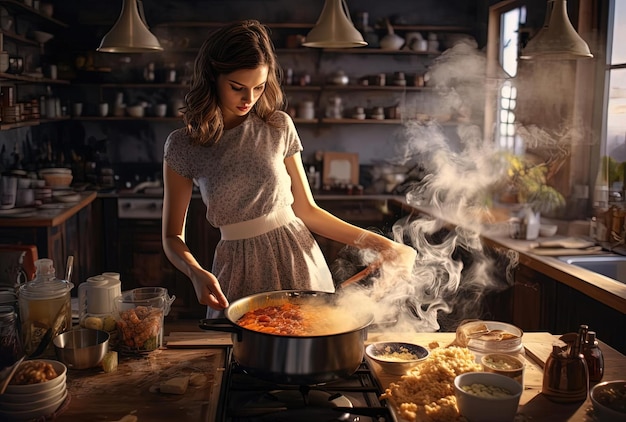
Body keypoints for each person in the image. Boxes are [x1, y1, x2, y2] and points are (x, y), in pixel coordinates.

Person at [162, 20, 415, 317]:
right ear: (212, 78)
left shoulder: (277, 126)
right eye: (237, 87)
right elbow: (172, 236)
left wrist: (383, 245)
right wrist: (195, 272)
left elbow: (308, 210)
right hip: (236, 268)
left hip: (296, 256)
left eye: (258, 87)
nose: (249, 99)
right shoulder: (183, 145)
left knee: (309, 339)